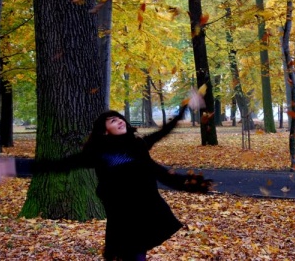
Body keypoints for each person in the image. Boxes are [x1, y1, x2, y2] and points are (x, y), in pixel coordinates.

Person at [30, 99, 212, 261]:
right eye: (113, 121)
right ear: (105, 131)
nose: (120, 121)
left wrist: (184, 107)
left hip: (146, 206)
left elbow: (163, 134)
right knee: (129, 250)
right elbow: (60, 165)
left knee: (137, 249)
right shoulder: (100, 152)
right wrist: (14, 167)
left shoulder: (138, 144)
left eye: (120, 118)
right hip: (122, 212)